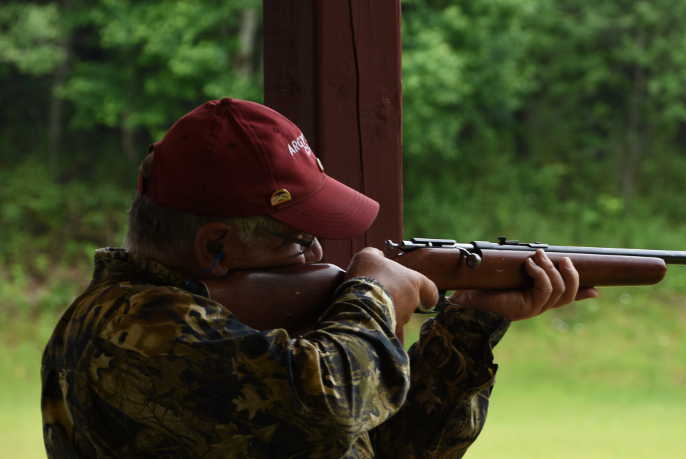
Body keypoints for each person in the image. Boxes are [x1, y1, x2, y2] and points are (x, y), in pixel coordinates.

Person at [41, 98, 598, 458]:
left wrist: (474, 320)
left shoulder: (247, 338)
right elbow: (329, 410)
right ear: (215, 246)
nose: (316, 251)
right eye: (295, 237)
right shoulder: (132, 325)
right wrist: (372, 295)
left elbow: (393, 446)